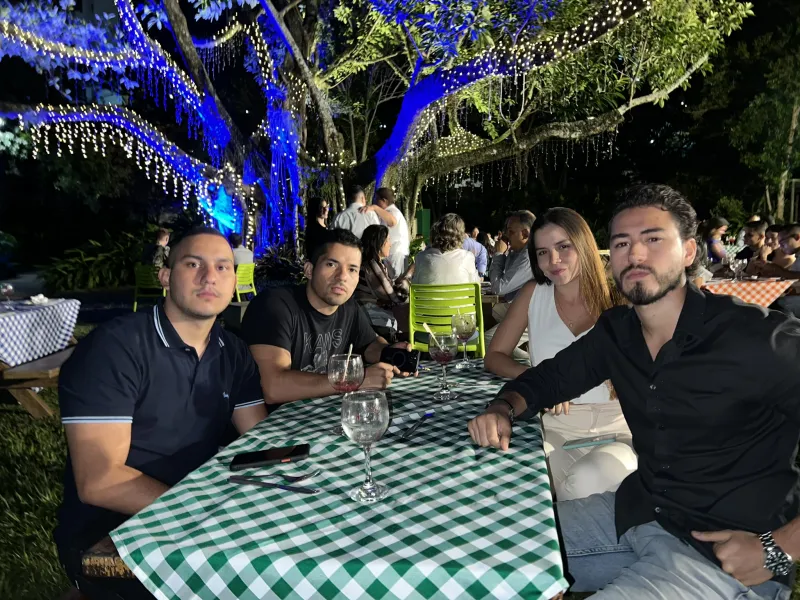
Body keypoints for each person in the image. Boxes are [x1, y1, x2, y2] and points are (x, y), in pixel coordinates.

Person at [469, 184, 800, 600]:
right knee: (486, 548)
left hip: (722, 558)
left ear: (689, 251)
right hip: (640, 514)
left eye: (653, 239)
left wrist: (780, 547)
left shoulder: (754, 338)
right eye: (622, 243)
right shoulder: (618, 331)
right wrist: (503, 407)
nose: (635, 254)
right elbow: (549, 379)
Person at [55, 227, 268, 600]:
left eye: (222, 267)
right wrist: (205, 509)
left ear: (234, 282)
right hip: (115, 529)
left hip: (195, 509)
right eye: (193, 264)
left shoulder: (232, 350)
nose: (209, 277)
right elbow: (100, 482)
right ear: (165, 276)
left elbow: (258, 440)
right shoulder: (115, 348)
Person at [484, 207, 636, 500]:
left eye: (563, 247)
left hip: (618, 431)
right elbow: (495, 356)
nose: (553, 260)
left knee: (585, 481)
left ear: (583, 245)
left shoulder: (619, 295)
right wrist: (543, 381)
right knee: (516, 489)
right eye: (542, 252)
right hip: (556, 429)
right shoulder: (534, 293)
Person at [241, 228, 415, 406]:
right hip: (279, 419)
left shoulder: (348, 307)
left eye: (352, 269)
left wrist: (390, 354)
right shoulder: (273, 306)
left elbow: (369, 345)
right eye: (332, 265)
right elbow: (273, 387)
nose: (342, 277)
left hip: (326, 411)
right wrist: (355, 380)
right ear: (309, 270)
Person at [355, 224, 409, 336]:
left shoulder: (376, 264)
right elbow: (394, 296)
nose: (390, 244)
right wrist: (408, 276)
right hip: (372, 319)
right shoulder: (371, 266)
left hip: (372, 315)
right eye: (388, 240)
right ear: (379, 243)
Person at [408, 213, 481, 285]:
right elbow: (476, 285)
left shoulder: (421, 257)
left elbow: (415, 285)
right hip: (460, 293)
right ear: (460, 235)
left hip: (428, 293)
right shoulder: (467, 257)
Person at [489, 210, 535, 300]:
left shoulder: (529, 256)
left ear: (525, 234)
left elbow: (498, 289)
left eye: (511, 232)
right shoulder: (517, 252)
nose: (507, 235)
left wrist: (499, 254)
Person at [371, 187, 409, 279]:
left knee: (395, 281)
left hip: (396, 255)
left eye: (376, 199)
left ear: (384, 200)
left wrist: (375, 208)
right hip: (393, 255)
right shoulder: (388, 212)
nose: (374, 202)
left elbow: (392, 221)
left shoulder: (392, 211)